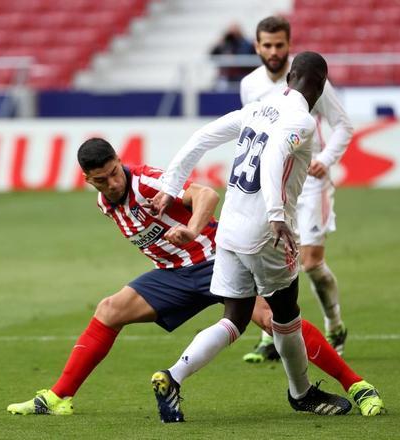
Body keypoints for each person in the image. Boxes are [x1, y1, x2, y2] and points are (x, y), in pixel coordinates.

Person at [6, 137, 380, 417]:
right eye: (101, 180)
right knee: (109, 309)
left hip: (218, 259)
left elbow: (205, 193)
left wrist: (192, 228)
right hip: (174, 273)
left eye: (115, 173)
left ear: (121, 163)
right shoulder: (105, 202)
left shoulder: (148, 182)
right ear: (89, 180)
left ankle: (357, 386)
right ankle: (59, 397)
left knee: (275, 320)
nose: (112, 184)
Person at [147, 52, 383, 423]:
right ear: (320, 87)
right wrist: (276, 215)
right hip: (264, 234)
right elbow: (274, 153)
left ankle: (172, 377)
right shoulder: (302, 120)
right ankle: (301, 393)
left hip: (229, 229)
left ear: (289, 76)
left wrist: (172, 184)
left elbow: (202, 136)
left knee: (235, 317)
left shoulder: (259, 107)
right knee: (285, 316)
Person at [240, 16, 354, 363]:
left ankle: (335, 325)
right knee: (264, 253)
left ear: (289, 45)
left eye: (279, 45)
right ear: (257, 47)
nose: (273, 52)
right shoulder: (250, 84)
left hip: (310, 181)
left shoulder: (308, 79)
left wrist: (327, 158)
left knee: (310, 263)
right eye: (267, 45)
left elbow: (342, 125)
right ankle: (268, 335)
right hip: (274, 183)